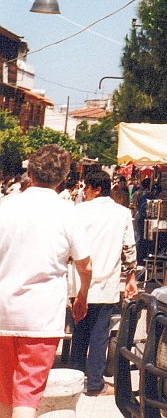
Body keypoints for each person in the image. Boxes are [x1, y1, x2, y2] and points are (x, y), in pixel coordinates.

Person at [0, 144, 92, 418]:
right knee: (27, 392)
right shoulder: (67, 212)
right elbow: (85, 265)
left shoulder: (6, 206)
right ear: (64, 177)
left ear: (30, 172)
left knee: (4, 391)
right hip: (41, 316)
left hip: (3, 311)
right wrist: (82, 295)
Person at [70, 169, 137, 397]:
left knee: (79, 332)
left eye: (87, 188)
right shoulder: (122, 213)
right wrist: (131, 278)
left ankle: (74, 379)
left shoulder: (78, 211)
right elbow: (129, 248)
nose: (84, 192)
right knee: (100, 334)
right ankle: (95, 384)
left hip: (79, 281)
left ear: (96, 189)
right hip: (106, 282)